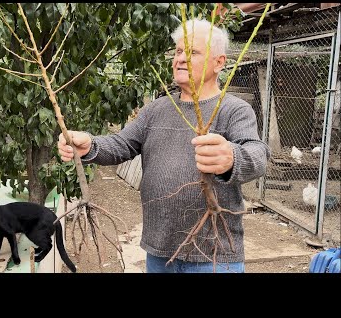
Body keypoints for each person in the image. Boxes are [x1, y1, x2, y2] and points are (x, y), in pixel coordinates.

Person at [58, 18, 270, 273]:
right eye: (179, 51)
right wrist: (90, 145)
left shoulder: (234, 110)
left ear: (219, 62)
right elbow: (121, 144)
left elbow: (257, 154)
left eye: (192, 52)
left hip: (214, 254)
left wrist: (232, 158)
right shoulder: (156, 109)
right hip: (159, 251)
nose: (180, 59)